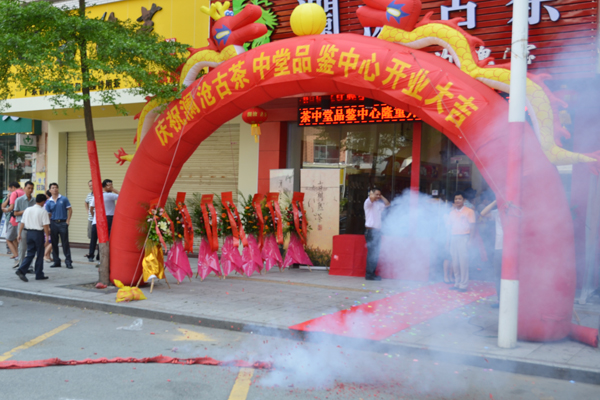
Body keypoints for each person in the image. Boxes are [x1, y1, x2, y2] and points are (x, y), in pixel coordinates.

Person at [15, 193, 51, 282]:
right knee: (40, 254)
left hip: (29, 233)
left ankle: (21, 269)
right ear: (43, 202)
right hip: (38, 234)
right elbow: (45, 226)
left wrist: (19, 233)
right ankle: (39, 274)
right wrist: (47, 237)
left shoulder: (28, 209)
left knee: (30, 253)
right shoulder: (43, 211)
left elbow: (22, 222)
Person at [447, 191, 475, 292]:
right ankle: (457, 283)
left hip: (464, 237)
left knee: (463, 262)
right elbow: (449, 228)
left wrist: (470, 240)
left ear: (464, 200)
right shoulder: (451, 213)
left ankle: (463, 284)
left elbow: (472, 227)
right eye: (456, 199)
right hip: (453, 237)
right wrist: (448, 242)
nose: (457, 200)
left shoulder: (469, 211)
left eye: (459, 199)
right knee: (455, 262)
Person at [88, 179, 119, 263]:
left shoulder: (98, 195)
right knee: (103, 238)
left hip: (97, 219)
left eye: (112, 185)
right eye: (109, 185)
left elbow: (91, 208)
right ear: (104, 186)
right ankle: (98, 255)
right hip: (107, 218)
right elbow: (122, 195)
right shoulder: (110, 195)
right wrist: (113, 189)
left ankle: (92, 255)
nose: (111, 187)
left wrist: (94, 216)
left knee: (95, 238)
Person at [45, 183, 73, 269]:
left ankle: (68, 262)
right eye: (53, 188)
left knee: (65, 243)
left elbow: (70, 209)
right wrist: (48, 226)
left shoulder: (64, 199)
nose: (55, 189)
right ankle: (56, 261)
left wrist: (68, 221)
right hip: (53, 223)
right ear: (50, 190)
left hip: (63, 223)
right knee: (54, 243)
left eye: (56, 187)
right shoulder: (49, 202)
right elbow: (48, 215)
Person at [364, 187, 389, 281]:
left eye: (379, 194)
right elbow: (371, 198)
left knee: (376, 253)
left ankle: (372, 273)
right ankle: (369, 274)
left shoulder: (379, 204)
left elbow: (388, 204)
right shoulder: (368, 203)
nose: (378, 196)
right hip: (371, 231)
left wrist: (380, 196)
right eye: (376, 194)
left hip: (377, 232)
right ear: (372, 194)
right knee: (372, 253)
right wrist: (373, 194)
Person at [481, 199, 503, 308]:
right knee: (497, 276)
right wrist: (496, 201)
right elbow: (483, 213)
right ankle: (500, 300)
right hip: (499, 248)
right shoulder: (497, 212)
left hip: (513, 249)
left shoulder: (515, 211)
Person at [13, 181, 36, 270]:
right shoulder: (19, 200)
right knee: (22, 248)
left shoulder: (34, 200)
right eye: (28, 188)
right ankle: (22, 267)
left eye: (32, 188)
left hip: (32, 226)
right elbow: (15, 213)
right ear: (24, 188)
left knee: (31, 247)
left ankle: (30, 266)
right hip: (22, 226)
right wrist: (26, 211)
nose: (30, 190)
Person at [2, 182, 24, 263]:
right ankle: (19, 256)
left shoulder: (14, 194)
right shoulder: (24, 193)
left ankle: (17, 257)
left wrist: (6, 209)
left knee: (8, 239)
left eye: (10, 189)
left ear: (13, 187)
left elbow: (11, 207)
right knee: (17, 239)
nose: (9, 191)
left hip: (15, 219)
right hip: (24, 220)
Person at [84, 180, 96, 259]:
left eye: (92, 185)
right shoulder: (89, 195)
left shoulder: (101, 194)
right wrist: (87, 210)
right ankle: (91, 253)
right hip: (91, 219)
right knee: (91, 237)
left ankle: (99, 255)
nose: (91, 187)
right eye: (90, 186)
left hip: (98, 219)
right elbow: (86, 202)